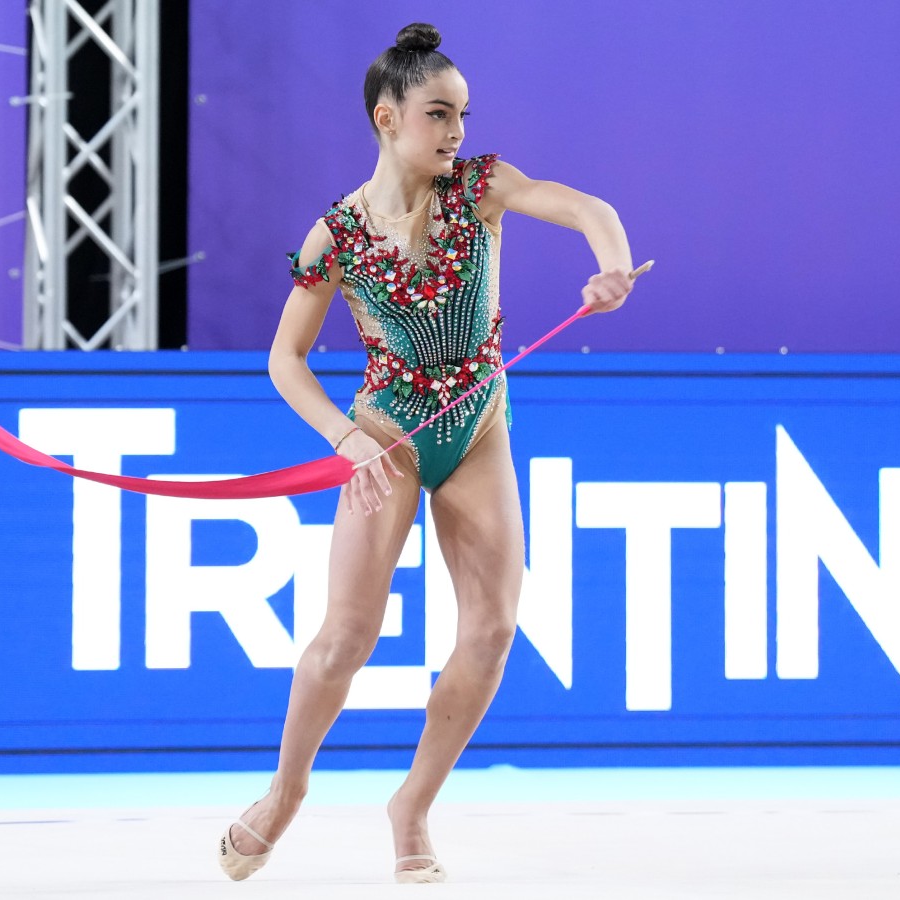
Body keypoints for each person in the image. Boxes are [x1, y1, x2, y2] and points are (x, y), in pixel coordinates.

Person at [219, 21, 640, 884]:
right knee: (348, 635)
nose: (456, 131)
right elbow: (285, 360)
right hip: (387, 433)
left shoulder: (482, 188)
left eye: (463, 115)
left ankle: (412, 804)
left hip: (477, 424)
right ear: (388, 118)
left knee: (491, 632)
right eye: (439, 114)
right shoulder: (337, 235)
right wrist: (344, 438)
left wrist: (613, 268)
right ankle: (285, 792)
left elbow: (587, 209)